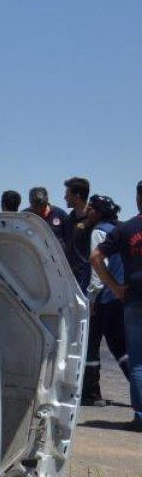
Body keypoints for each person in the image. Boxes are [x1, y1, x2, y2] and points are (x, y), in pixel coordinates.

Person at [91, 180, 142, 431]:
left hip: (133, 299)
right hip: (131, 300)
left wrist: (113, 287)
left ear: (138, 199)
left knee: (138, 361)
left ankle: (141, 418)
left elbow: (95, 257)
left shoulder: (126, 229)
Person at [82, 194, 129, 407]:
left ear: (98, 212)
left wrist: (92, 297)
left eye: (90, 209)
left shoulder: (99, 231)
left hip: (105, 296)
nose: (87, 212)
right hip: (122, 295)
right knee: (120, 345)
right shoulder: (121, 229)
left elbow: (97, 267)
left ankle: (92, 394)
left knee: (92, 344)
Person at [61, 177, 93, 292]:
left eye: (67, 194)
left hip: (89, 280)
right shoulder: (69, 219)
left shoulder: (95, 218)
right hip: (71, 279)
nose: (65, 198)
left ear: (77, 195)